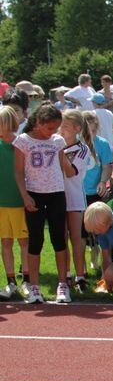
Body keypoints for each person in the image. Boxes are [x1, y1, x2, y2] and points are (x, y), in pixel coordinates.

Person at [13, 103, 76, 304]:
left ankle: (63, 284)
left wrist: (71, 165)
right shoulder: (23, 141)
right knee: (35, 240)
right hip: (34, 194)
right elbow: (18, 171)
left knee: (59, 238)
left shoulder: (57, 141)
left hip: (56, 193)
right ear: (38, 123)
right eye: (49, 128)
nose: (53, 132)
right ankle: (34, 287)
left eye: (56, 128)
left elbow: (64, 166)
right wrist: (25, 196)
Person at [58, 110, 93, 293]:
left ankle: (81, 276)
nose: (60, 130)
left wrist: (59, 151)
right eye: (60, 126)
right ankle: (66, 274)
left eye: (65, 127)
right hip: (56, 197)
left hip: (75, 199)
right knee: (61, 239)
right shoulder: (56, 145)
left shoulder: (82, 149)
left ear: (77, 128)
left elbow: (71, 172)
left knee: (76, 239)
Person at [0, 106, 27, 300]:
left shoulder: (22, 144)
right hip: (2, 204)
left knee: (24, 241)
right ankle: (10, 282)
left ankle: (26, 279)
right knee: (6, 242)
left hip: (19, 202)